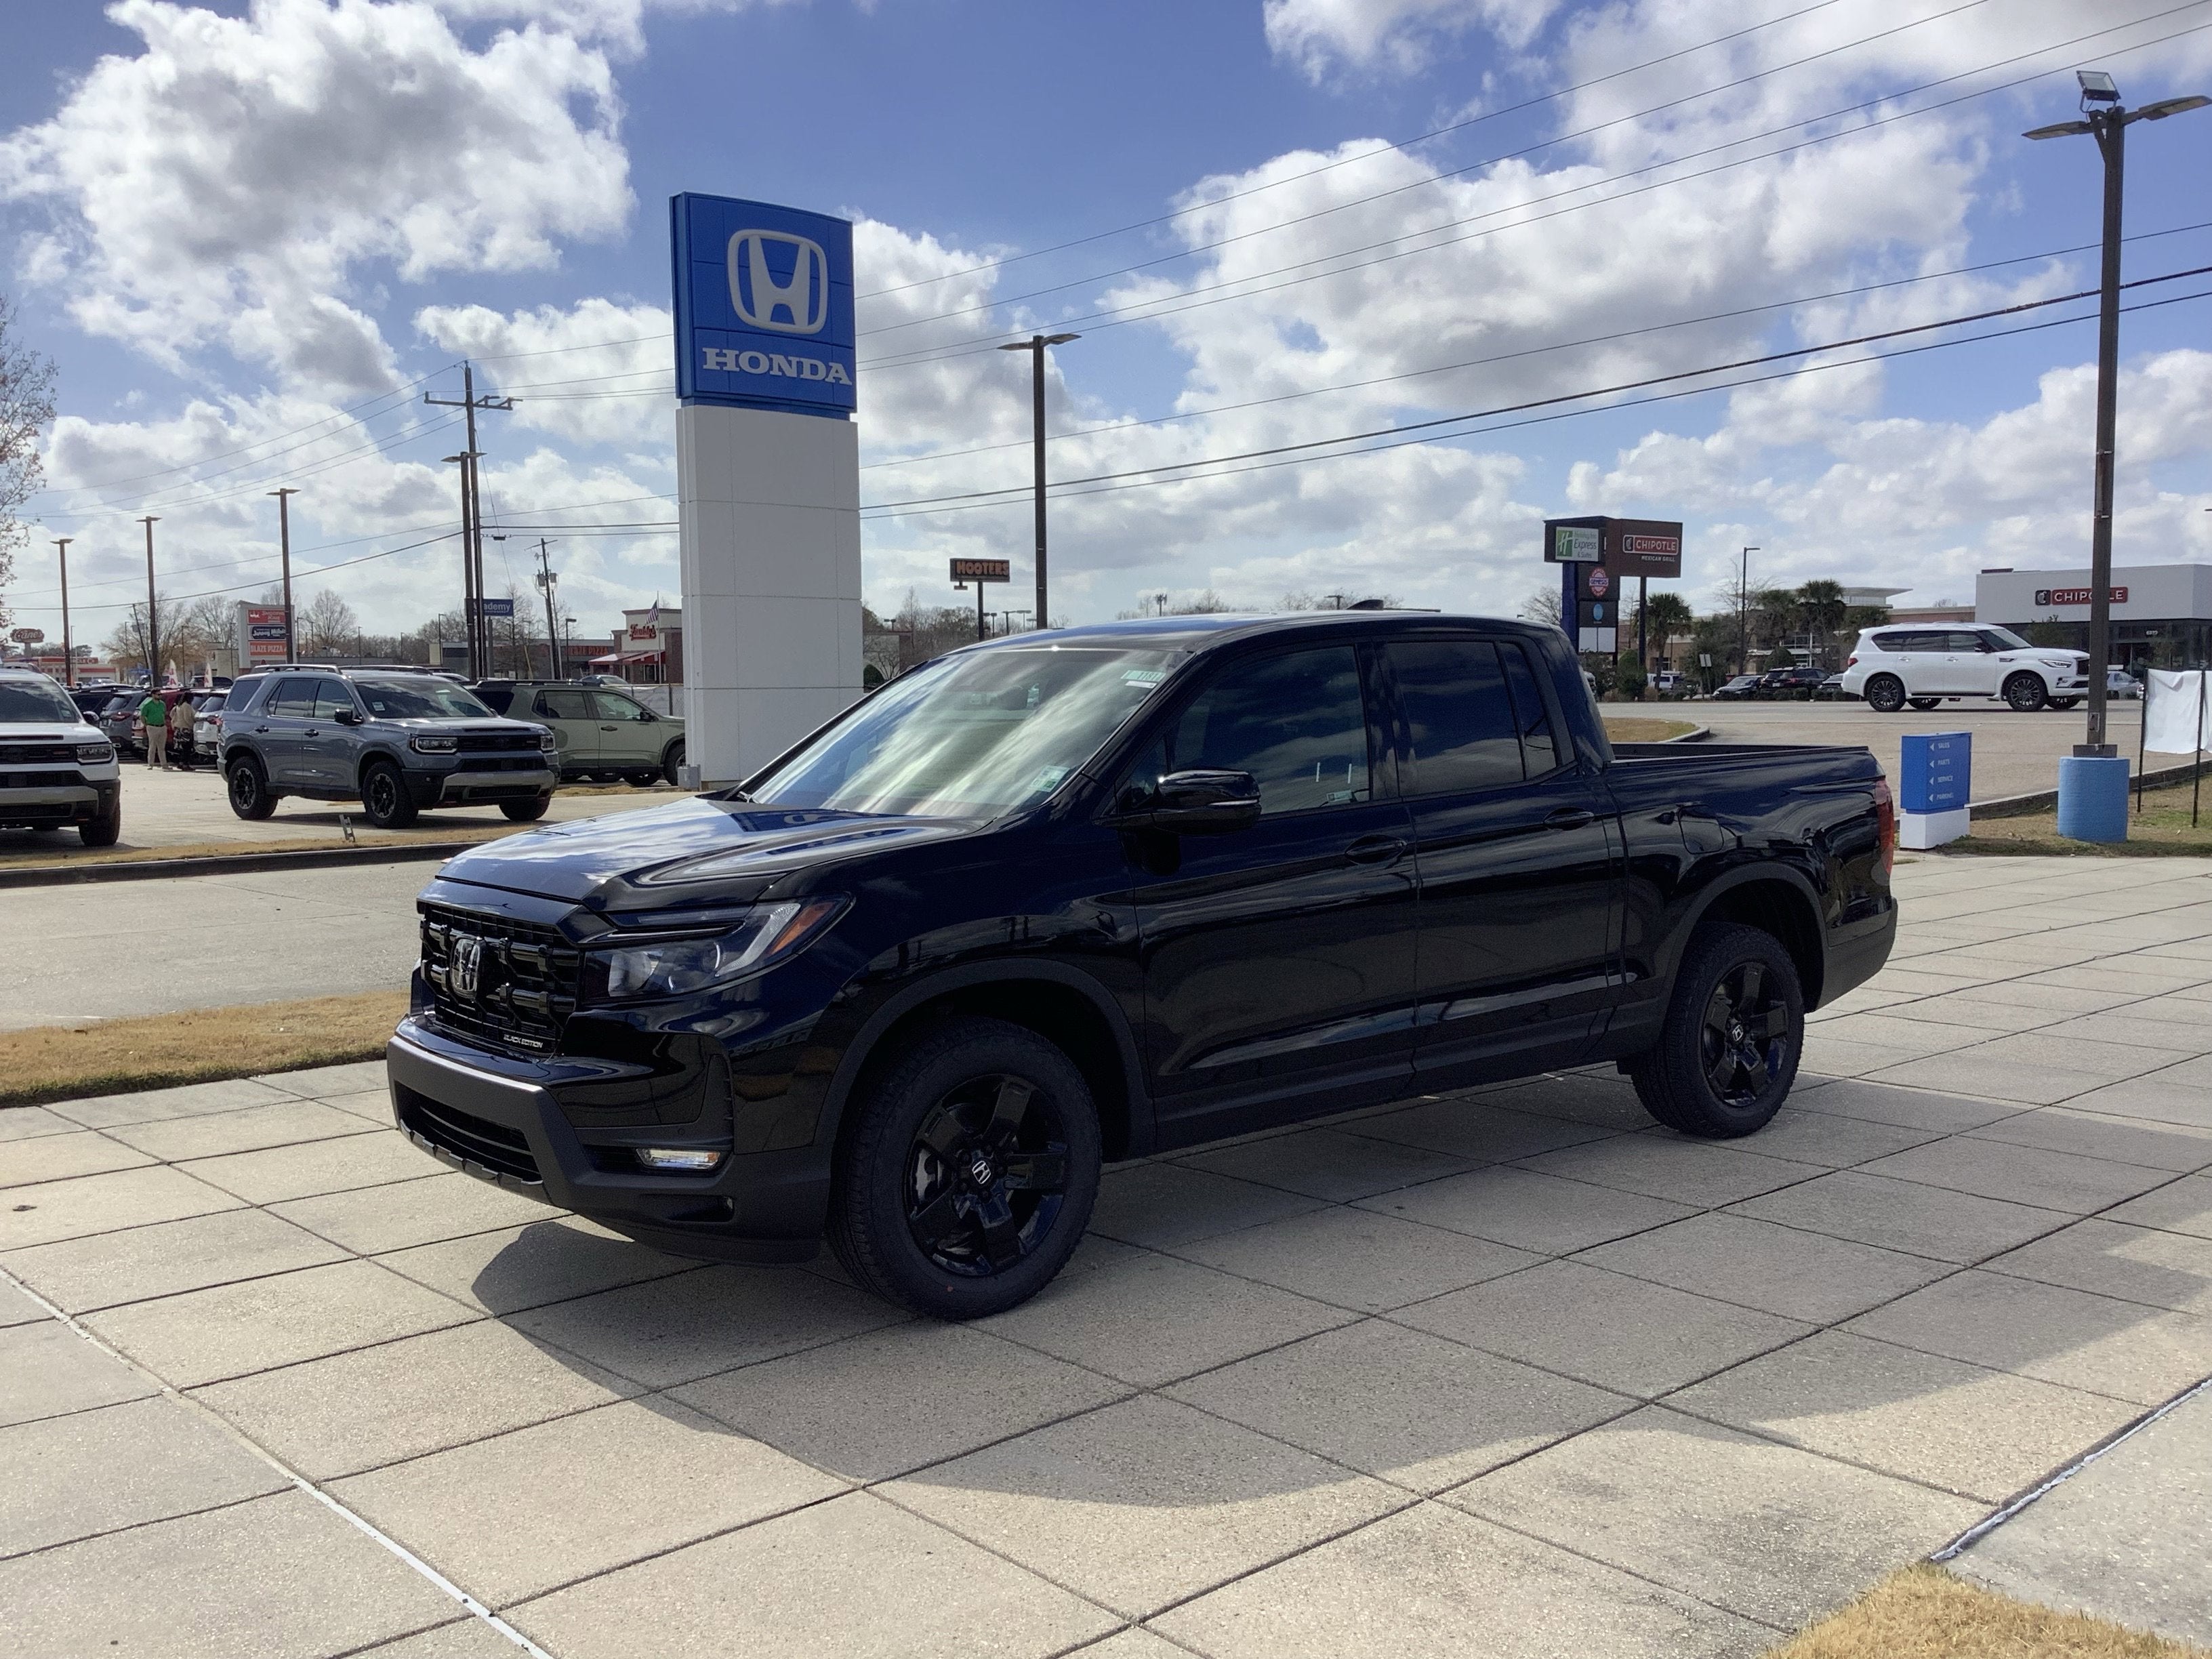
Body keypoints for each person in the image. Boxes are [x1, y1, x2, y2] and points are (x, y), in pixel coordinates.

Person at [138, 685, 167, 769]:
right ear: (153, 695)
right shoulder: (147, 704)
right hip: (152, 727)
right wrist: (147, 725)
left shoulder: (162, 704)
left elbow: (164, 714)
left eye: (160, 694)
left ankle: (164, 764)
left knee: (162, 747)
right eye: (158, 694)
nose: (160, 696)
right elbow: (143, 716)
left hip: (162, 727)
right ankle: (150, 764)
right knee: (152, 746)